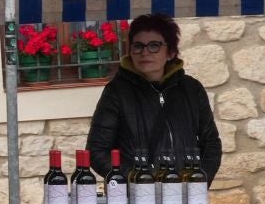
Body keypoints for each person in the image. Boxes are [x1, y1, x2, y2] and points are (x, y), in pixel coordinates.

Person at [85, 12, 221, 180]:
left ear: (170, 52)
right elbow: (97, 151)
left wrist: (198, 181)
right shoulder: (117, 92)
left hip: (188, 198)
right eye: (138, 46)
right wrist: (137, 180)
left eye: (154, 45)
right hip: (139, 200)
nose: (145, 52)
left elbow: (211, 143)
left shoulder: (191, 89)